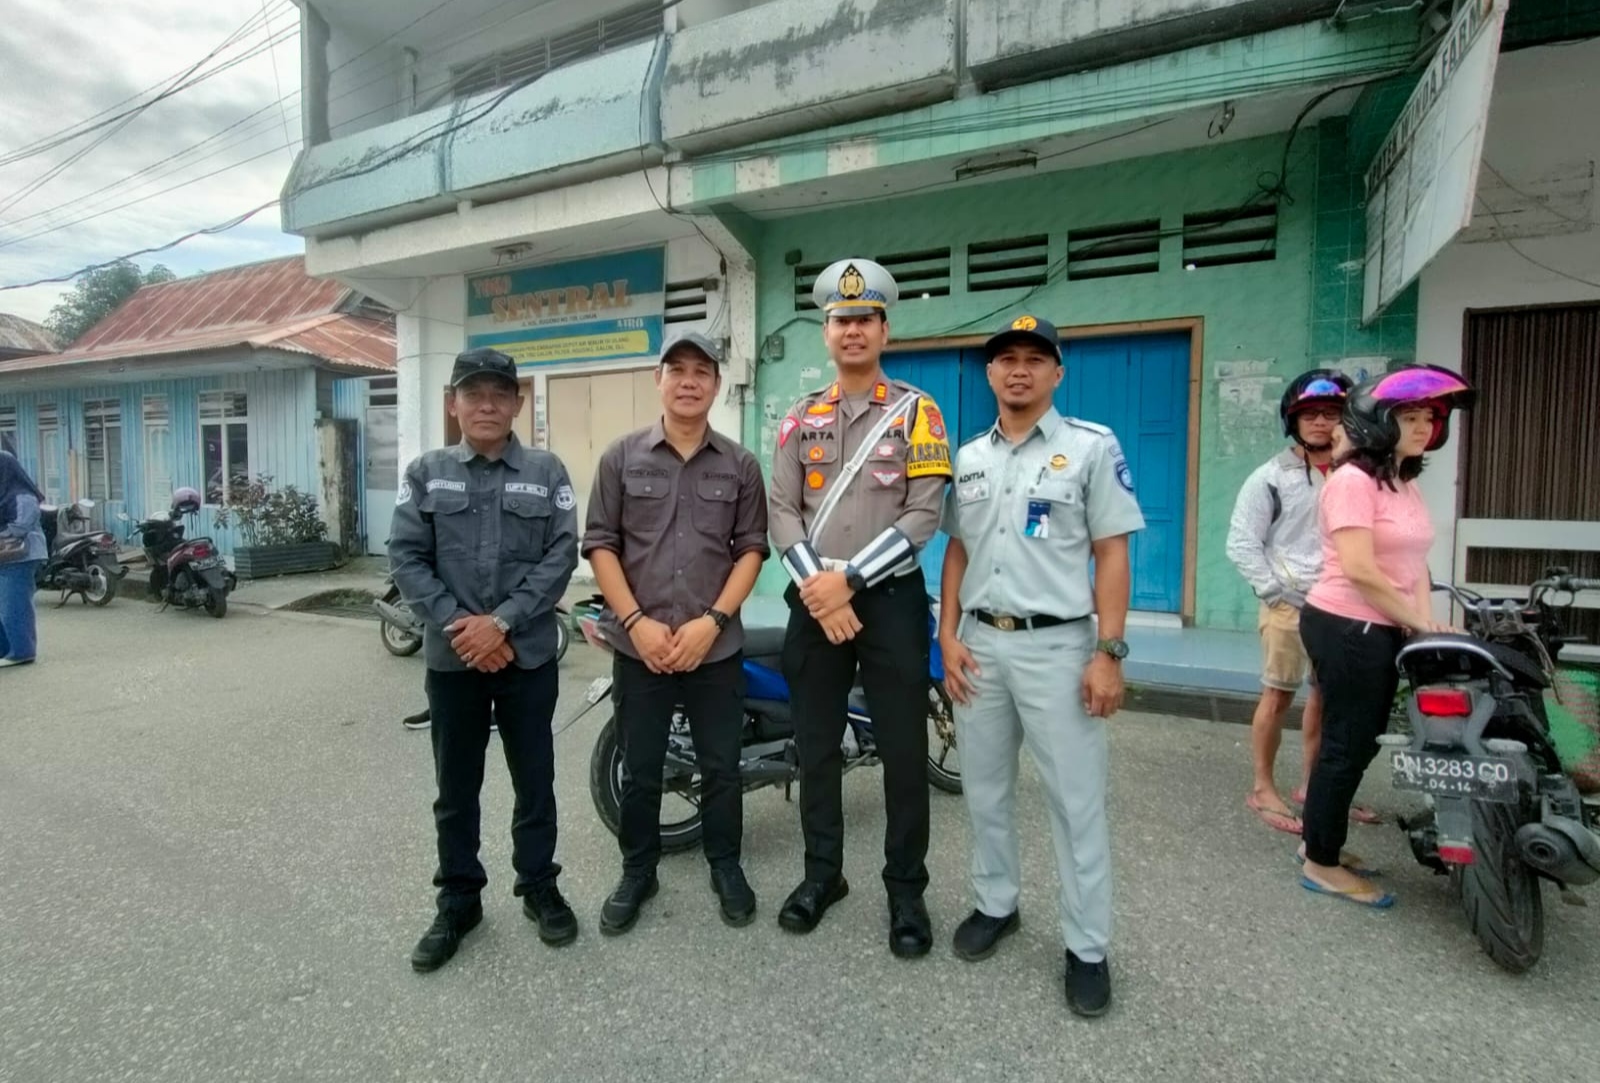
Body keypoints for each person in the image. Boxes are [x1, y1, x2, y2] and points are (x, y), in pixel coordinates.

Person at [937, 315, 1145, 1018]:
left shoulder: (1090, 447)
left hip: (1058, 648)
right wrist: (947, 634)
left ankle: (1087, 946)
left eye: (1034, 359)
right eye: (1005, 359)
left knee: (1074, 802)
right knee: (984, 789)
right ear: (990, 373)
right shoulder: (970, 456)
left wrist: (1108, 653)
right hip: (980, 646)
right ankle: (996, 903)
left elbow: (1112, 553)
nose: (1018, 370)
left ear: (1057, 372)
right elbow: (958, 550)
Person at [768, 257, 952, 957]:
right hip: (815, 599)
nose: (852, 330)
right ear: (827, 331)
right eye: (841, 319)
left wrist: (848, 583)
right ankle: (823, 875)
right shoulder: (800, 416)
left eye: (865, 319)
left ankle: (906, 890)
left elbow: (923, 514)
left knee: (903, 752)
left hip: (891, 601)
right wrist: (822, 588)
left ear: (884, 330)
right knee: (816, 747)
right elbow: (782, 510)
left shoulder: (917, 411)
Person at [389, 347, 581, 972]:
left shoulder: (547, 472)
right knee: (456, 788)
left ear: (518, 403)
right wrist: (464, 628)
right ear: (454, 404)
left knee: (535, 781)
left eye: (500, 393)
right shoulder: (426, 472)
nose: (488, 405)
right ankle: (459, 899)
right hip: (454, 661)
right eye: (474, 394)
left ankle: (539, 886)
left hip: (526, 656)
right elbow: (405, 557)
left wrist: (500, 624)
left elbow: (561, 556)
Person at [581, 332, 770, 934]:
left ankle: (726, 865)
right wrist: (636, 624)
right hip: (640, 646)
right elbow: (601, 545)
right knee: (641, 768)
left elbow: (751, 550)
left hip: (714, 648)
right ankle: (638, 870)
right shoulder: (620, 457)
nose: (689, 382)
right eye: (677, 370)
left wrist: (712, 623)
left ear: (716, 385)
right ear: (657, 380)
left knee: (721, 767)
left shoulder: (740, 465)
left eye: (702, 372)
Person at [1297, 364, 1476, 908]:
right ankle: (1320, 862)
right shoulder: (1351, 481)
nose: (1424, 426)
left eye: (1430, 418)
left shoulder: (1402, 481)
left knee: (1357, 741)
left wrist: (1423, 624)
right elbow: (1360, 570)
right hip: (1347, 624)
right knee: (1347, 743)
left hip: (1384, 624)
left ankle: (1319, 840)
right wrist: (1418, 623)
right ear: (1378, 421)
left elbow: (1414, 564)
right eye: (1410, 416)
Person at [1226, 370, 1381, 834]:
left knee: (1326, 698)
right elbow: (1242, 543)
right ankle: (1262, 787)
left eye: (1331, 413)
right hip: (1289, 605)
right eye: (1309, 414)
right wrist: (1275, 592)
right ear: (1292, 421)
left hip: (1342, 605)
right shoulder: (1271, 478)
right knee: (1278, 695)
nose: (1319, 422)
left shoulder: (1359, 475)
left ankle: (1317, 789)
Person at [0, 450, 47, 668]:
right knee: (4, 605)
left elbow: (19, 527)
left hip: (21, 557)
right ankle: (5, 649)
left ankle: (21, 651)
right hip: (5, 557)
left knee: (15, 605)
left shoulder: (22, 495)